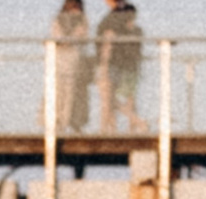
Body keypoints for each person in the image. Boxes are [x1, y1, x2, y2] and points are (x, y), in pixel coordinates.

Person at [96, 0, 146, 135]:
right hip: (128, 67)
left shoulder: (112, 23)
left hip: (115, 65)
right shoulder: (135, 30)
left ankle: (110, 128)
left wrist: (104, 65)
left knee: (109, 98)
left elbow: (108, 44)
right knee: (124, 98)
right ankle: (131, 126)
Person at [50, 0, 93, 135]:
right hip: (64, 58)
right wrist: (69, 40)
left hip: (71, 59)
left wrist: (66, 41)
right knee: (61, 91)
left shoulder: (79, 20)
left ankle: (66, 122)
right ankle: (59, 122)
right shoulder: (60, 19)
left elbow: (81, 36)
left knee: (69, 92)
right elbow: (61, 37)